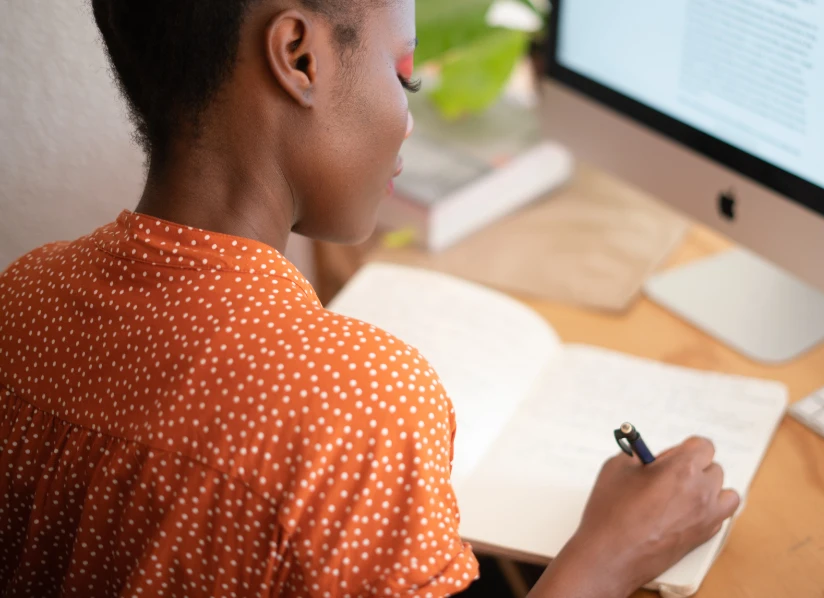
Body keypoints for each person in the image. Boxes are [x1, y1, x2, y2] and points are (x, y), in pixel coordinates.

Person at [0, 1, 740, 596]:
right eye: (404, 74)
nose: (409, 117)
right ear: (298, 56)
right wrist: (606, 558)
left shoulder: (21, 299)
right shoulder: (360, 407)